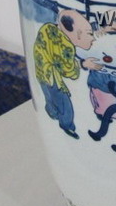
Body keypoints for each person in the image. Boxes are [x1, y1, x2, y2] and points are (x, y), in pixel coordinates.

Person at [33, 9, 102, 138]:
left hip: (40, 71)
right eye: (89, 33)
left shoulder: (48, 28)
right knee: (65, 104)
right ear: (77, 34)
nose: (92, 38)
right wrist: (83, 64)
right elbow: (69, 71)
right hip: (53, 78)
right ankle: (67, 126)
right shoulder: (66, 47)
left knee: (48, 96)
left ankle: (52, 112)